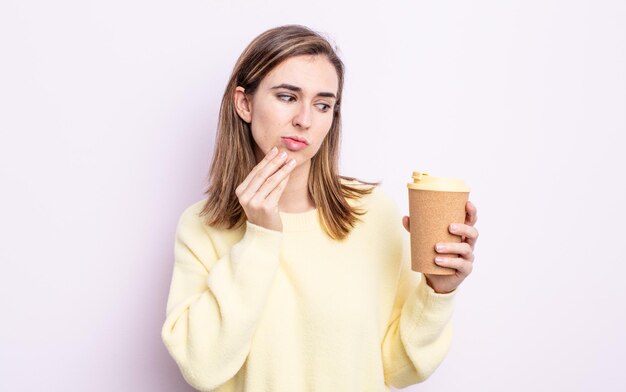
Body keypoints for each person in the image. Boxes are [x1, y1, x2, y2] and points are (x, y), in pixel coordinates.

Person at [161, 24, 479, 392]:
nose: (305, 120)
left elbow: (397, 368)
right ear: (244, 103)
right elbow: (203, 368)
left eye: (323, 104)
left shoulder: (373, 214)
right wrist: (260, 238)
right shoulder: (202, 227)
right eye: (286, 97)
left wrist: (437, 292)